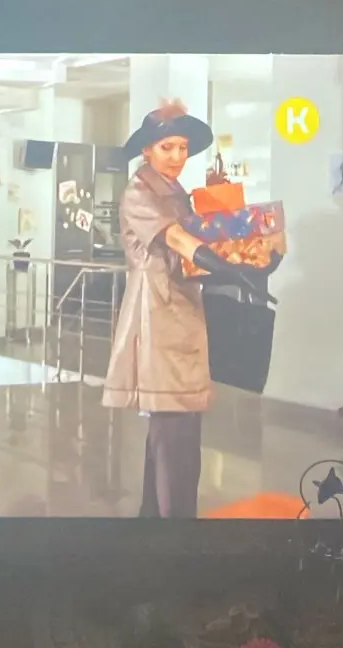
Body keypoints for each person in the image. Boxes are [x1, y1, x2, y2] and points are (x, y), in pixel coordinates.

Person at [103, 98, 276, 518]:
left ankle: (152, 519)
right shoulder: (140, 192)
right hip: (158, 314)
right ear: (147, 150)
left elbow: (202, 243)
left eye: (182, 148)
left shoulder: (176, 193)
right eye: (167, 148)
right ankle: (177, 530)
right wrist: (229, 268)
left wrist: (249, 259)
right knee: (175, 439)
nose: (177, 156)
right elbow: (179, 241)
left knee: (172, 434)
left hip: (180, 311)